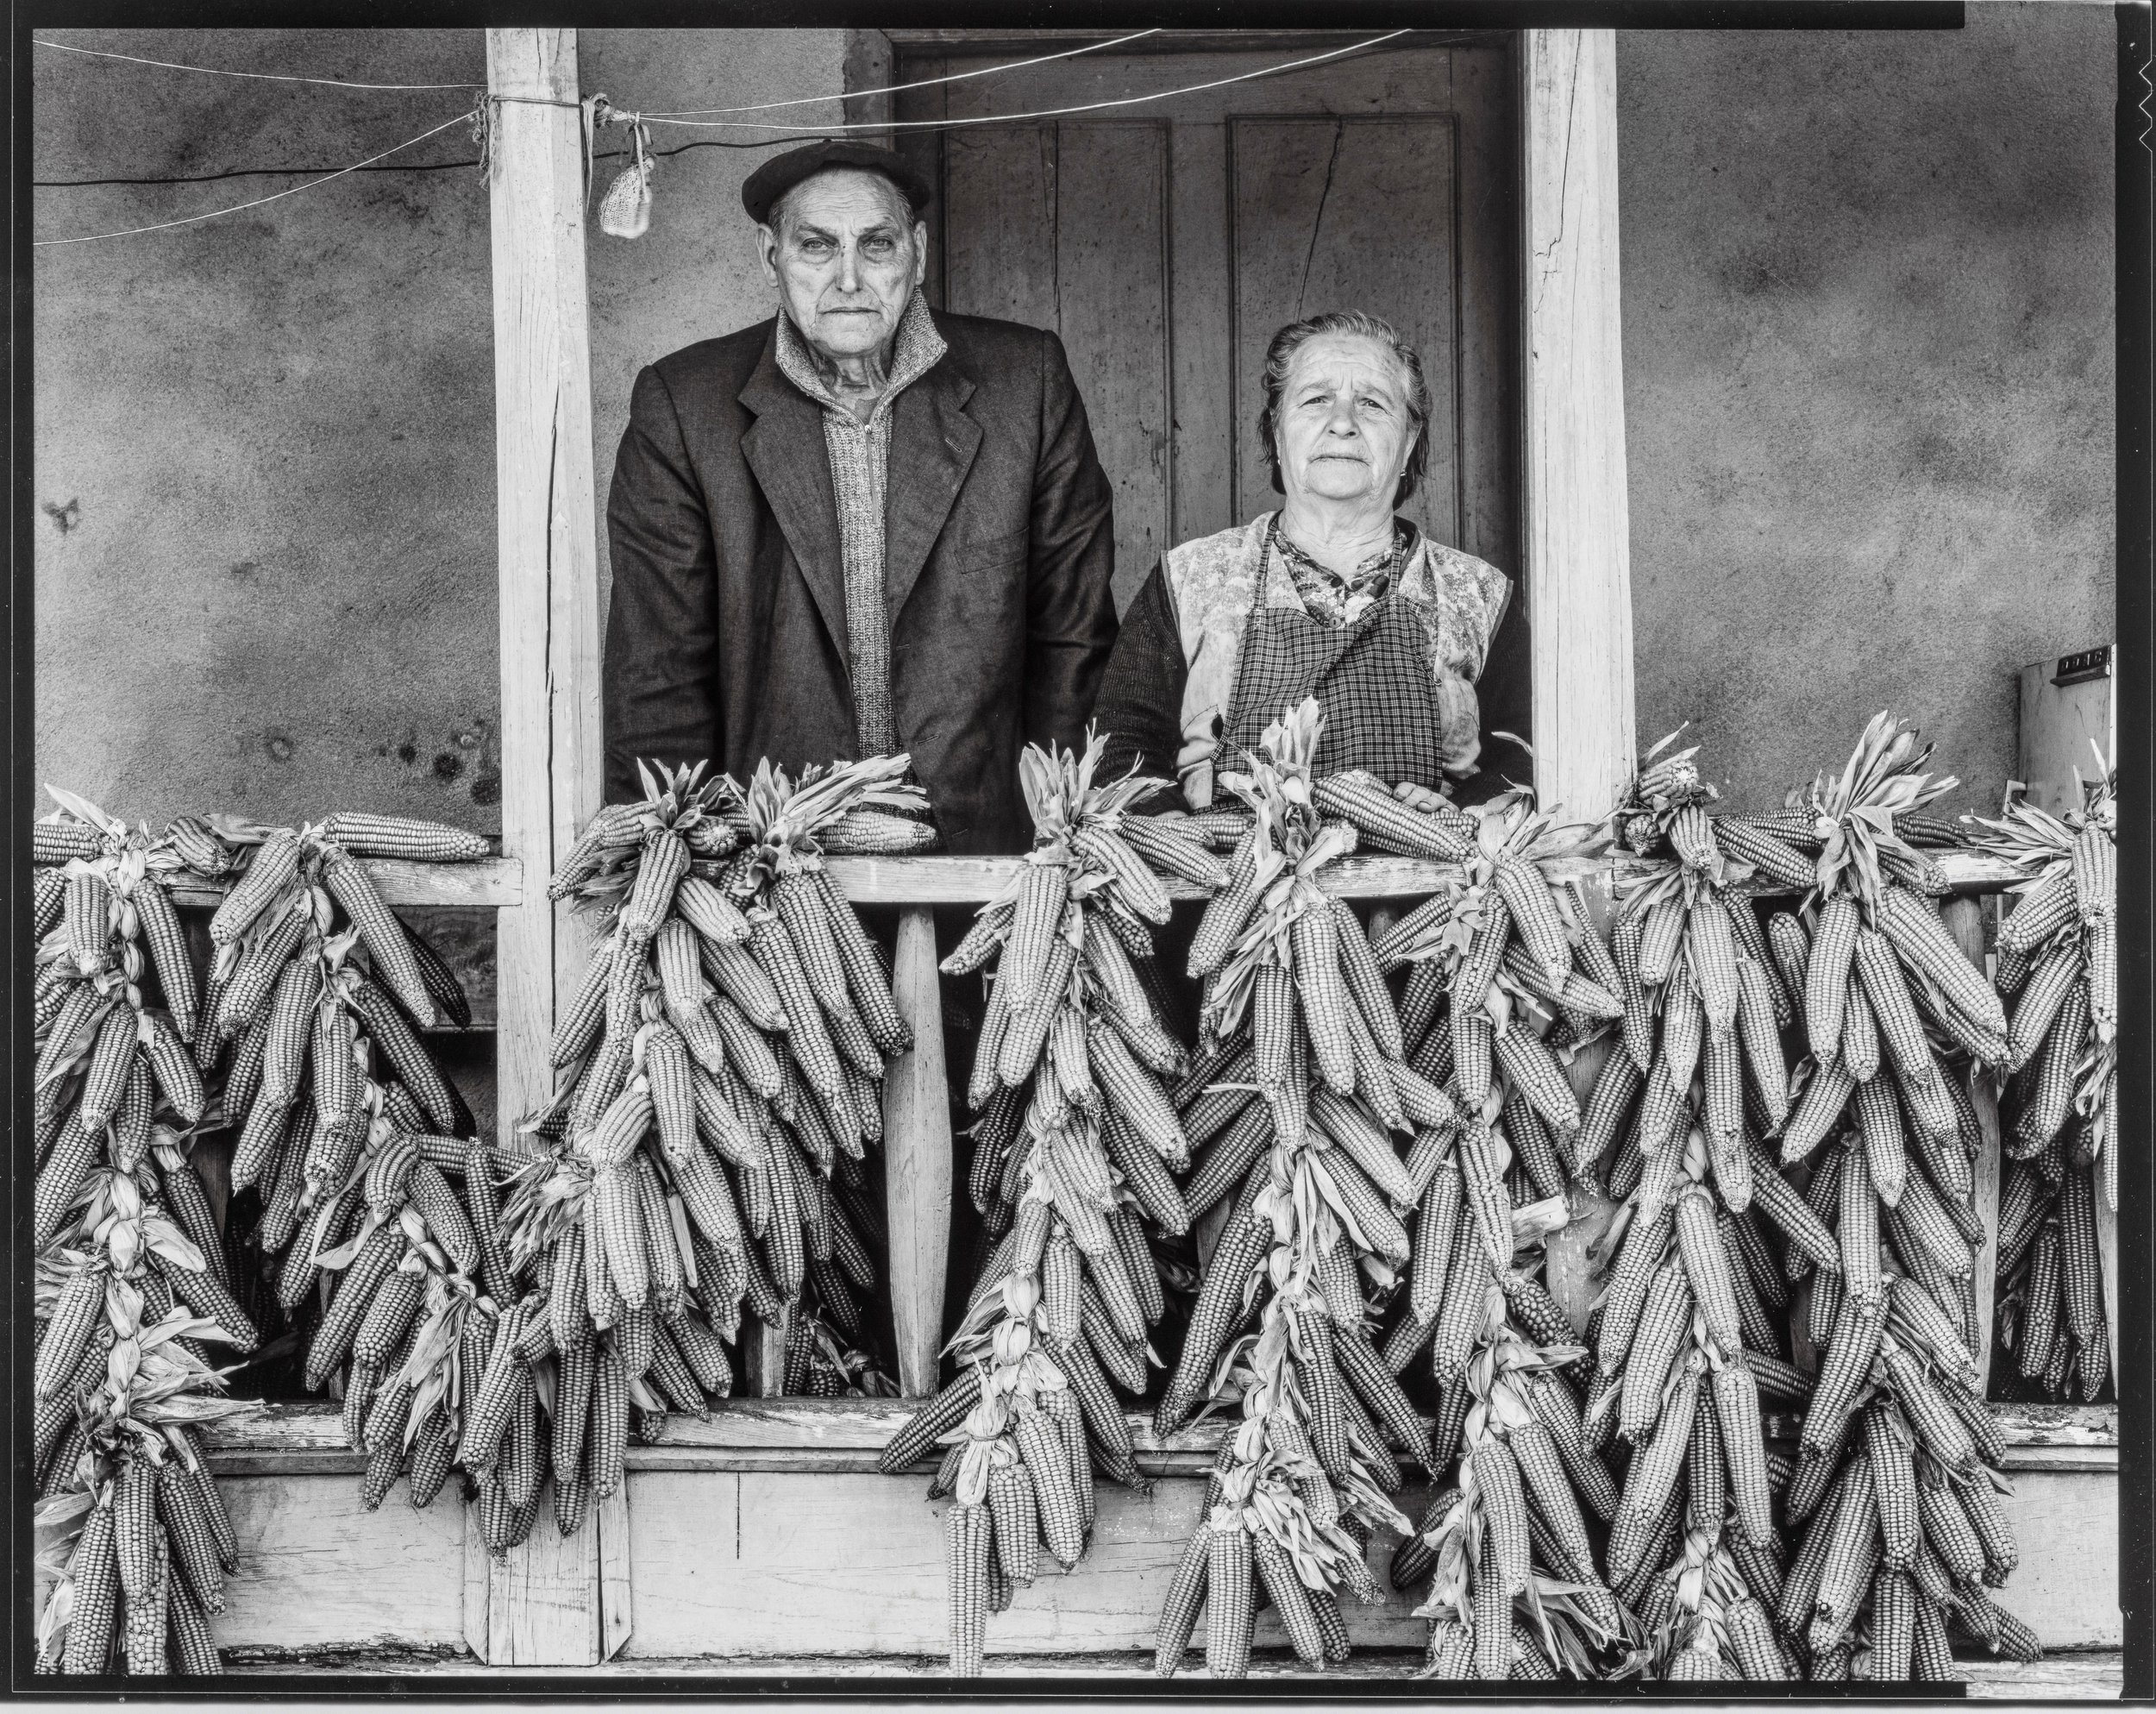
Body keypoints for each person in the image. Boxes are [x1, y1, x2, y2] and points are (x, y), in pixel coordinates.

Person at [601, 140, 1119, 855]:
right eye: (816, 246)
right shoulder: (686, 407)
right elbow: (657, 673)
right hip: (772, 856)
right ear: (769, 257)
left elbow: (1074, 638)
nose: (848, 277)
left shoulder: (1024, 382)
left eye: (876, 245)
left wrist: (1061, 838)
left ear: (918, 252)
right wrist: (662, 868)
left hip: (985, 847)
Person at [1093, 309, 1512, 809]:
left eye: (1373, 404)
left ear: (1409, 444)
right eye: (1316, 400)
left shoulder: (1479, 592)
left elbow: (1525, 756)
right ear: (1276, 433)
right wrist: (1187, 837)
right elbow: (1122, 754)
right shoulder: (1189, 579)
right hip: (1225, 877)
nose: (1342, 423)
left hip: (1429, 881)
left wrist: (1461, 818)